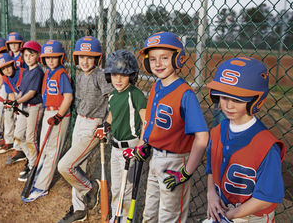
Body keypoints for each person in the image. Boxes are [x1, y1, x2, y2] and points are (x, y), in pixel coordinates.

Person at [131, 32, 209, 223]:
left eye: (165, 58)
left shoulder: (185, 94)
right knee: (149, 213)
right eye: (153, 59)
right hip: (155, 158)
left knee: (169, 217)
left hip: (175, 162)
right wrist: (143, 145)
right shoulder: (156, 87)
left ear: (178, 58)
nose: (157, 64)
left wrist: (187, 171)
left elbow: (202, 137)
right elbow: (149, 123)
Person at [204, 57, 285, 223]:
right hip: (222, 207)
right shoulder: (217, 132)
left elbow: (267, 198)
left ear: (256, 100)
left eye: (237, 100)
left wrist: (229, 216)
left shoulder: (266, 146)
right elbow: (211, 169)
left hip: (253, 216)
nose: (228, 106)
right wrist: (211, 194)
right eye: (224, 97)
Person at [57, 36, 113, 222]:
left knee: (65, 166)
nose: (85, 61)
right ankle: (80, 208)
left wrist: (106, 123)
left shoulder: (100, 75)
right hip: (80, 121)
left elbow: (112, 99)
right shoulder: (80, 77)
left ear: (97, 59)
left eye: (90, 57)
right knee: (77, 167)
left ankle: (90, 189)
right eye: (81, 57)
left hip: (94, 125)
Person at [94, 50, 147, 223]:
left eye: (123, 75)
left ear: (131, 76)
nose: (118, 79)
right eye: (114, 74)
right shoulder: (113, 95)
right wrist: (105, 126)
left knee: (127, 189)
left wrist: (140, 146)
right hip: (115, 147)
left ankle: (125, 219)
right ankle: (116, 217)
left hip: (131, 148)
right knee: (116, 187)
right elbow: (112, 114)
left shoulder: (136, 94)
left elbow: (145, 121)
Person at [23, 40, 73, 203]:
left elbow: (68, 97)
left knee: (52, 150)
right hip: (48, 112)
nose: (51, 60)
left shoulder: (61, 74)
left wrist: (59, 115)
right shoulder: (49, 73)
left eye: (54, 57)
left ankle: (42, 187)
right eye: (48, 58)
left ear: (61, 57)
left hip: (58, 115)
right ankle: (38, 178)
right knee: (45, 148)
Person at [8, 41, 45, 179]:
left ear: (38, 56)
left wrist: (16, 101)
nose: (28, 58)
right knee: (18, 135)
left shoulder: (37, 71)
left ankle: (33, 166)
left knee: (30, 137)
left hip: (35, 107)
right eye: (26, 55)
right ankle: (31, 161)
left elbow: (31, 93)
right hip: (25, 106)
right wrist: (13, 101)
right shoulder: (26, 72)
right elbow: (22, 92)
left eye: (32, 55)